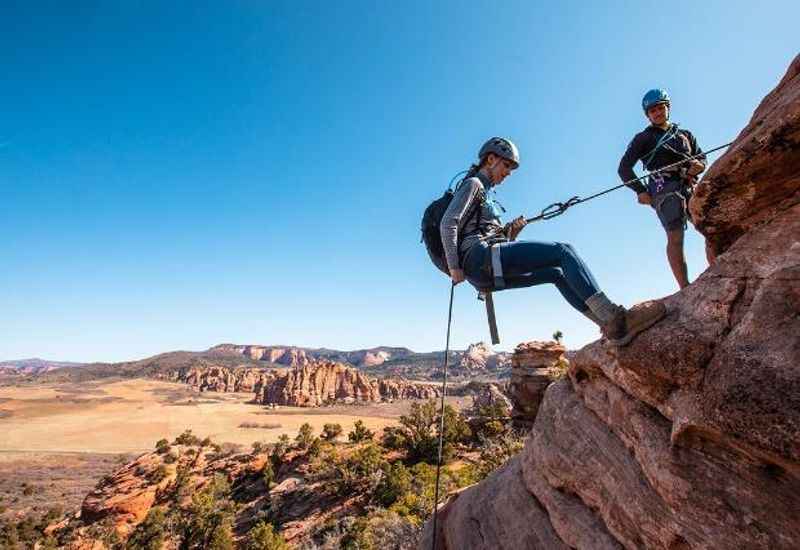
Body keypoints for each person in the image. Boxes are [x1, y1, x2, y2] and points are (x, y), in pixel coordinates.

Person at [440, 137, 666, 346]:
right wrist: (454, 267)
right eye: (506, 165)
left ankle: (607, 325)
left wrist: (511, 234)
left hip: (485, 270)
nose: (508, 173)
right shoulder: (474, 185)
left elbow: (490, 238)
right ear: (491, 159)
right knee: (564, 251)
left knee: (555, 274)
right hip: (479, 259)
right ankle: (616, 318)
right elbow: (448, 222)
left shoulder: (487, 193)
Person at [618, 89, 711, 289]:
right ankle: (685, 287)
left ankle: (719, 267)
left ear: (667, 107)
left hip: (689, 184)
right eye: (653, 111)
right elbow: (624, 168)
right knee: (675, 236)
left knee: (708, 226)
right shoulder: (643, 138)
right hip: (663, 188)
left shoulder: (685, 135)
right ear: (648, 115)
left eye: (660, 108)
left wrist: (699, 166)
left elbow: (702, 157)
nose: (658, 113)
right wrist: (640, 191)